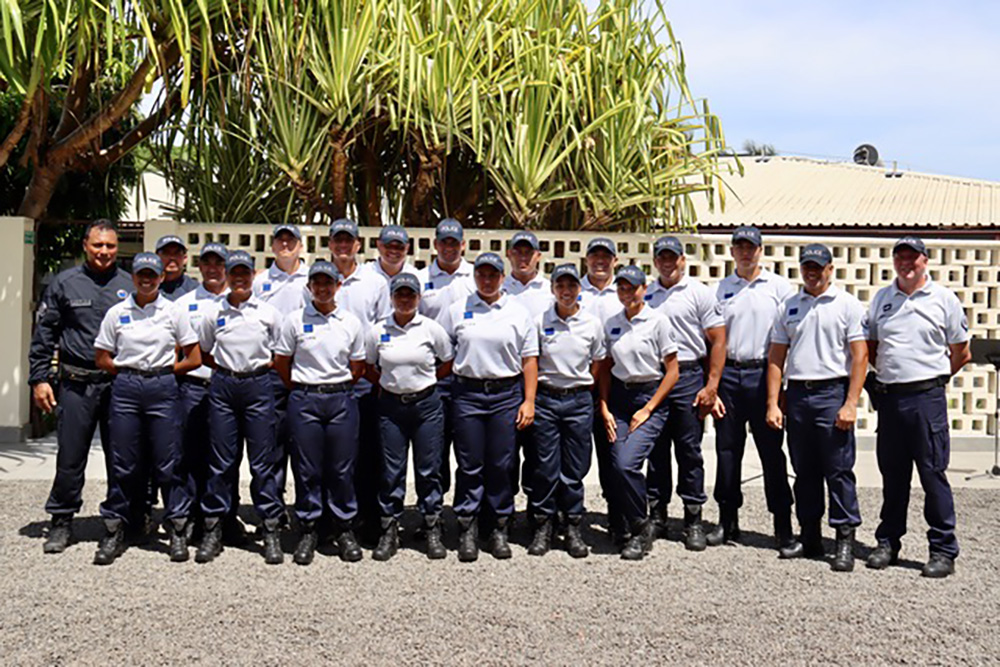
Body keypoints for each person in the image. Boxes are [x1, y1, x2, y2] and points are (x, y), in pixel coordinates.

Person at [865, 237, 970, 579]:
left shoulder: (943, 299)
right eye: (900, 257)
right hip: (891, 399)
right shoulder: (883, 298)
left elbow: (961, 351)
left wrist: (934, 379)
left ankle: (942, 549)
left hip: (927, 399)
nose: (906, 263)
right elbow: (871, 345)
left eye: (913, 257)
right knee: (893, 477)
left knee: (932, 474)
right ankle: (888, 542)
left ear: (926, 261)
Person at [29, 218, 133, 554]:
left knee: (121, 457)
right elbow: (45, 335)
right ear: (85, 246)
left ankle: (117, 523)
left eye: (111, 246)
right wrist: (40, 378)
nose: (104, 252)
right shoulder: (64, 283)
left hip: (119, 385)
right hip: (75, 384)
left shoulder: (130, 285)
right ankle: (61, 521)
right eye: (98, 245)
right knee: (71, 456)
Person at [92, 253, 202, 564]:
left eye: (152, 275)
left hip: (163, 388)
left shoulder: (173, 311)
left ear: (160, 278)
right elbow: (102, 356)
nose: (146, 280)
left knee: (169, 463)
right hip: (126, 389)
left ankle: (177, 529)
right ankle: (115, 527)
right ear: (133, 276)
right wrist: (130, 373)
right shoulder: (117, 312)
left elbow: (193, 358)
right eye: (141, 274)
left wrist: (163, 373)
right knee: (123, 462)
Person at [766, 244, 867, 572]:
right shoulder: (790, 306)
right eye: (807, 266)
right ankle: (810, 536)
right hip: (797, 397)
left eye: (818, 266)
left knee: (837, 470)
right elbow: (776, 357)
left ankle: (844, 539)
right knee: (804, 470)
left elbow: (860, 357)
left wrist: (851, 402)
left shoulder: (847, 305)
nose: (812, 272)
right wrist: (773, 401)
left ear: (830, 268)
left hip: (831, 393)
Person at [442, 252, 538, 562]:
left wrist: (529, 400)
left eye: (492, 275)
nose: (486, 280)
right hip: (467, 393)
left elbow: (529, 360)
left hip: (505, 394)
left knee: (501, 463)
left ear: (501, 277)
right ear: (475, 277)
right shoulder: (457, 310)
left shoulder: (518, 312)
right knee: (469, 463)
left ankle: (499, 526)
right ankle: (468, 526)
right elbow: (444, 355)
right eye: (481, 274)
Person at [195, 250, 286, 565]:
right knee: (221, 462)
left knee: (263, 463)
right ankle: (214, 528)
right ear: (226, 274)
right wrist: (228, 372)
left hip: (259, 386)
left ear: (253, 275)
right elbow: (206, 351)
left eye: (244, 273)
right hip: (223, 387)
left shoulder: (268, 313)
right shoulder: (212, 312)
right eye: (233, 272)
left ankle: (270, 528)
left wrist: (254, 372)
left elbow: (279, 351)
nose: (239, 278)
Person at [710, 225, 797, 554]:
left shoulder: (779, 288)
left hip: (764, 377)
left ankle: (783, 525)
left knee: (772, 454)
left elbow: (789, 338)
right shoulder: (721, 289)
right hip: (731, 376)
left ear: (761, 250)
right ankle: (727, 520)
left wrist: (782, 388)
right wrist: (713, 386)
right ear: (732, 251)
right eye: (740, 247)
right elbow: (713, 341)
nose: (745, 252)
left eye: (751, 247)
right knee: (727, 452)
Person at [274, 261, 367, 565]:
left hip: (340, 398)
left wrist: (333, 386)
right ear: (309, 286)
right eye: (317, 283)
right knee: (307, 467)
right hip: (305, 399)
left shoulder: (350, 322)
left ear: (338, 286)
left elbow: (357, 367)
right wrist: (304, 388)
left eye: (329, 283)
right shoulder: (294, 321)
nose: (323, 288)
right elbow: (282, 363)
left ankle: (343, 527)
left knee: (342, 468)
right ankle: (309, 527)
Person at [644, 236, 726, 551]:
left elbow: (718, 340)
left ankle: (693, 518)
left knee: (689, 450)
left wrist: (712, 385)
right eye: (661, 257)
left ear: (682, 260)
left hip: (689, 376)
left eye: (672, 257)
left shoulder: (699, 293)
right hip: (655, 377)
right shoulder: (647, 294)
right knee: (656, 450)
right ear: (655, 261)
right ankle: (658, 515)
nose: (667, 262)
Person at [366, 273, 455, 561]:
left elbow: (447, 362)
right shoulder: (378, 329)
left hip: (426, 406)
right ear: (391, 297)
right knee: (392, 471)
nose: (405, 300)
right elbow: (369, 366)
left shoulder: (431, 329)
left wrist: (425, 380)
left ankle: (431, 525)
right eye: (399, 294)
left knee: (429, 469)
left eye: (410, 295)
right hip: (391, 408)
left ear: (418, 298)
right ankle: (389, 528)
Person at [597, 265, 679, 561]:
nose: (626, 293)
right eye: (621, 288)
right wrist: (604, 405)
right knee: (616, 464)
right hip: (619, 398)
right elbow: (605, 369)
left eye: (632, 287)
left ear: (644, 289)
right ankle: (636, 525)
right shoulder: (612, 323)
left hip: (649, 398)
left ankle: (639, 526)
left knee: (628, 464)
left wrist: (648, 408)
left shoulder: (658, 321)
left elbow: (672, 372)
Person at [527, 264, 604, 558]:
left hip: (578, 401)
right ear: (553, 289)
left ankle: (572, 525)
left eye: (572, 286)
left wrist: (581, 388)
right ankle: (543, 525)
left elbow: (598, 364)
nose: (567, 291)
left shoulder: (591, 324)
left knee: (574, 467)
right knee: (545, 467)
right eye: (561, 286)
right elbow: (532, 361)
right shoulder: (539, 321)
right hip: (547, 400)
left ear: (579, 289)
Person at [175, 243, 246, 543]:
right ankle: (193, 517)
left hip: (232, 391)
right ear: (199, 266)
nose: (214, 268)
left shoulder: (244, 304)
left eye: (220, 263)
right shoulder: (184, 303)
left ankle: (226, 518)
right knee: (192, 455)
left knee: (227, 457)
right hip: (195, 387)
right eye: (208, 262)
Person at [252, 223, 309, 520]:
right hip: (273, 371)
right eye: (280, 240)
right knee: (271, 445)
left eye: (291, 240)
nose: (285, 244)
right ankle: (272, 511)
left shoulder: (313, 278)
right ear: (272, 246)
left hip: (306, 372)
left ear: (301, 245)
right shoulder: (260, 281)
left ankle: (306, 509)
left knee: (304, 446)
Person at [417, 218, 475, 498]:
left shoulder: (477, 277)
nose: (449, 248)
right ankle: (433, 514)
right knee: (434, 450)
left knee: (468, 449)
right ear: (435, 244)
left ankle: (468, 515)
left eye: (454, 243)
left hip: (467, 376)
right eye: (444, 242)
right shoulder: (420, 278)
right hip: (433, 376)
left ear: (463, 245)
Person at [579, 237, 626, 542]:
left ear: (614, 260)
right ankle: (566, 515)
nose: (599, 261)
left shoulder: (622, 293)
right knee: (574, 455)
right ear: (586, 261)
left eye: (605, 256)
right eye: (594, 256)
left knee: (613, 453)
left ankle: (617, 515)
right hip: (577, 386)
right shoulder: (572, 289)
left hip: (614, 386)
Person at [156, 235, 199, 300]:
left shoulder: (195, 290)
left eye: (177, 253)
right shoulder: (147, 287)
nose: (172, 257)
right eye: (166, 253)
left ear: (185, 258)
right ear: (157, 258)